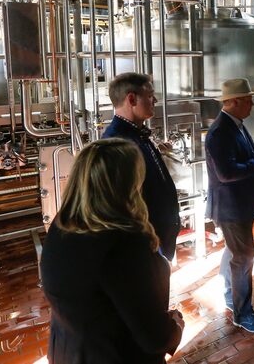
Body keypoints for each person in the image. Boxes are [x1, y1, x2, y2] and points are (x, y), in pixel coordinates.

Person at [40, 138, 184, 364]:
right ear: (126, 184)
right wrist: (175, 326)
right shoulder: (123, 243)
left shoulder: (63, 225)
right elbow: (153, 337)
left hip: (68, 350)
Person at [205, 78, 254, 333]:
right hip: (230, 208)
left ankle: (229, 296)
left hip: (239, 205)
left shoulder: (236, 126)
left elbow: (243, 159)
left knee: (235, 253)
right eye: (247, 100)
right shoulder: (219, 132)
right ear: (234, 102)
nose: (252, 104)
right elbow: (225, 173)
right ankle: (243, 314)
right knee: (244, 257)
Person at [102, 72, 180, 261]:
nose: (155, 100)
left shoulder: (135, 134)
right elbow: (123, 205)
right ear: (131, 99)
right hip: (147, 241)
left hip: (157, 234)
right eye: (150, 95)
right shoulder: (118, 143)